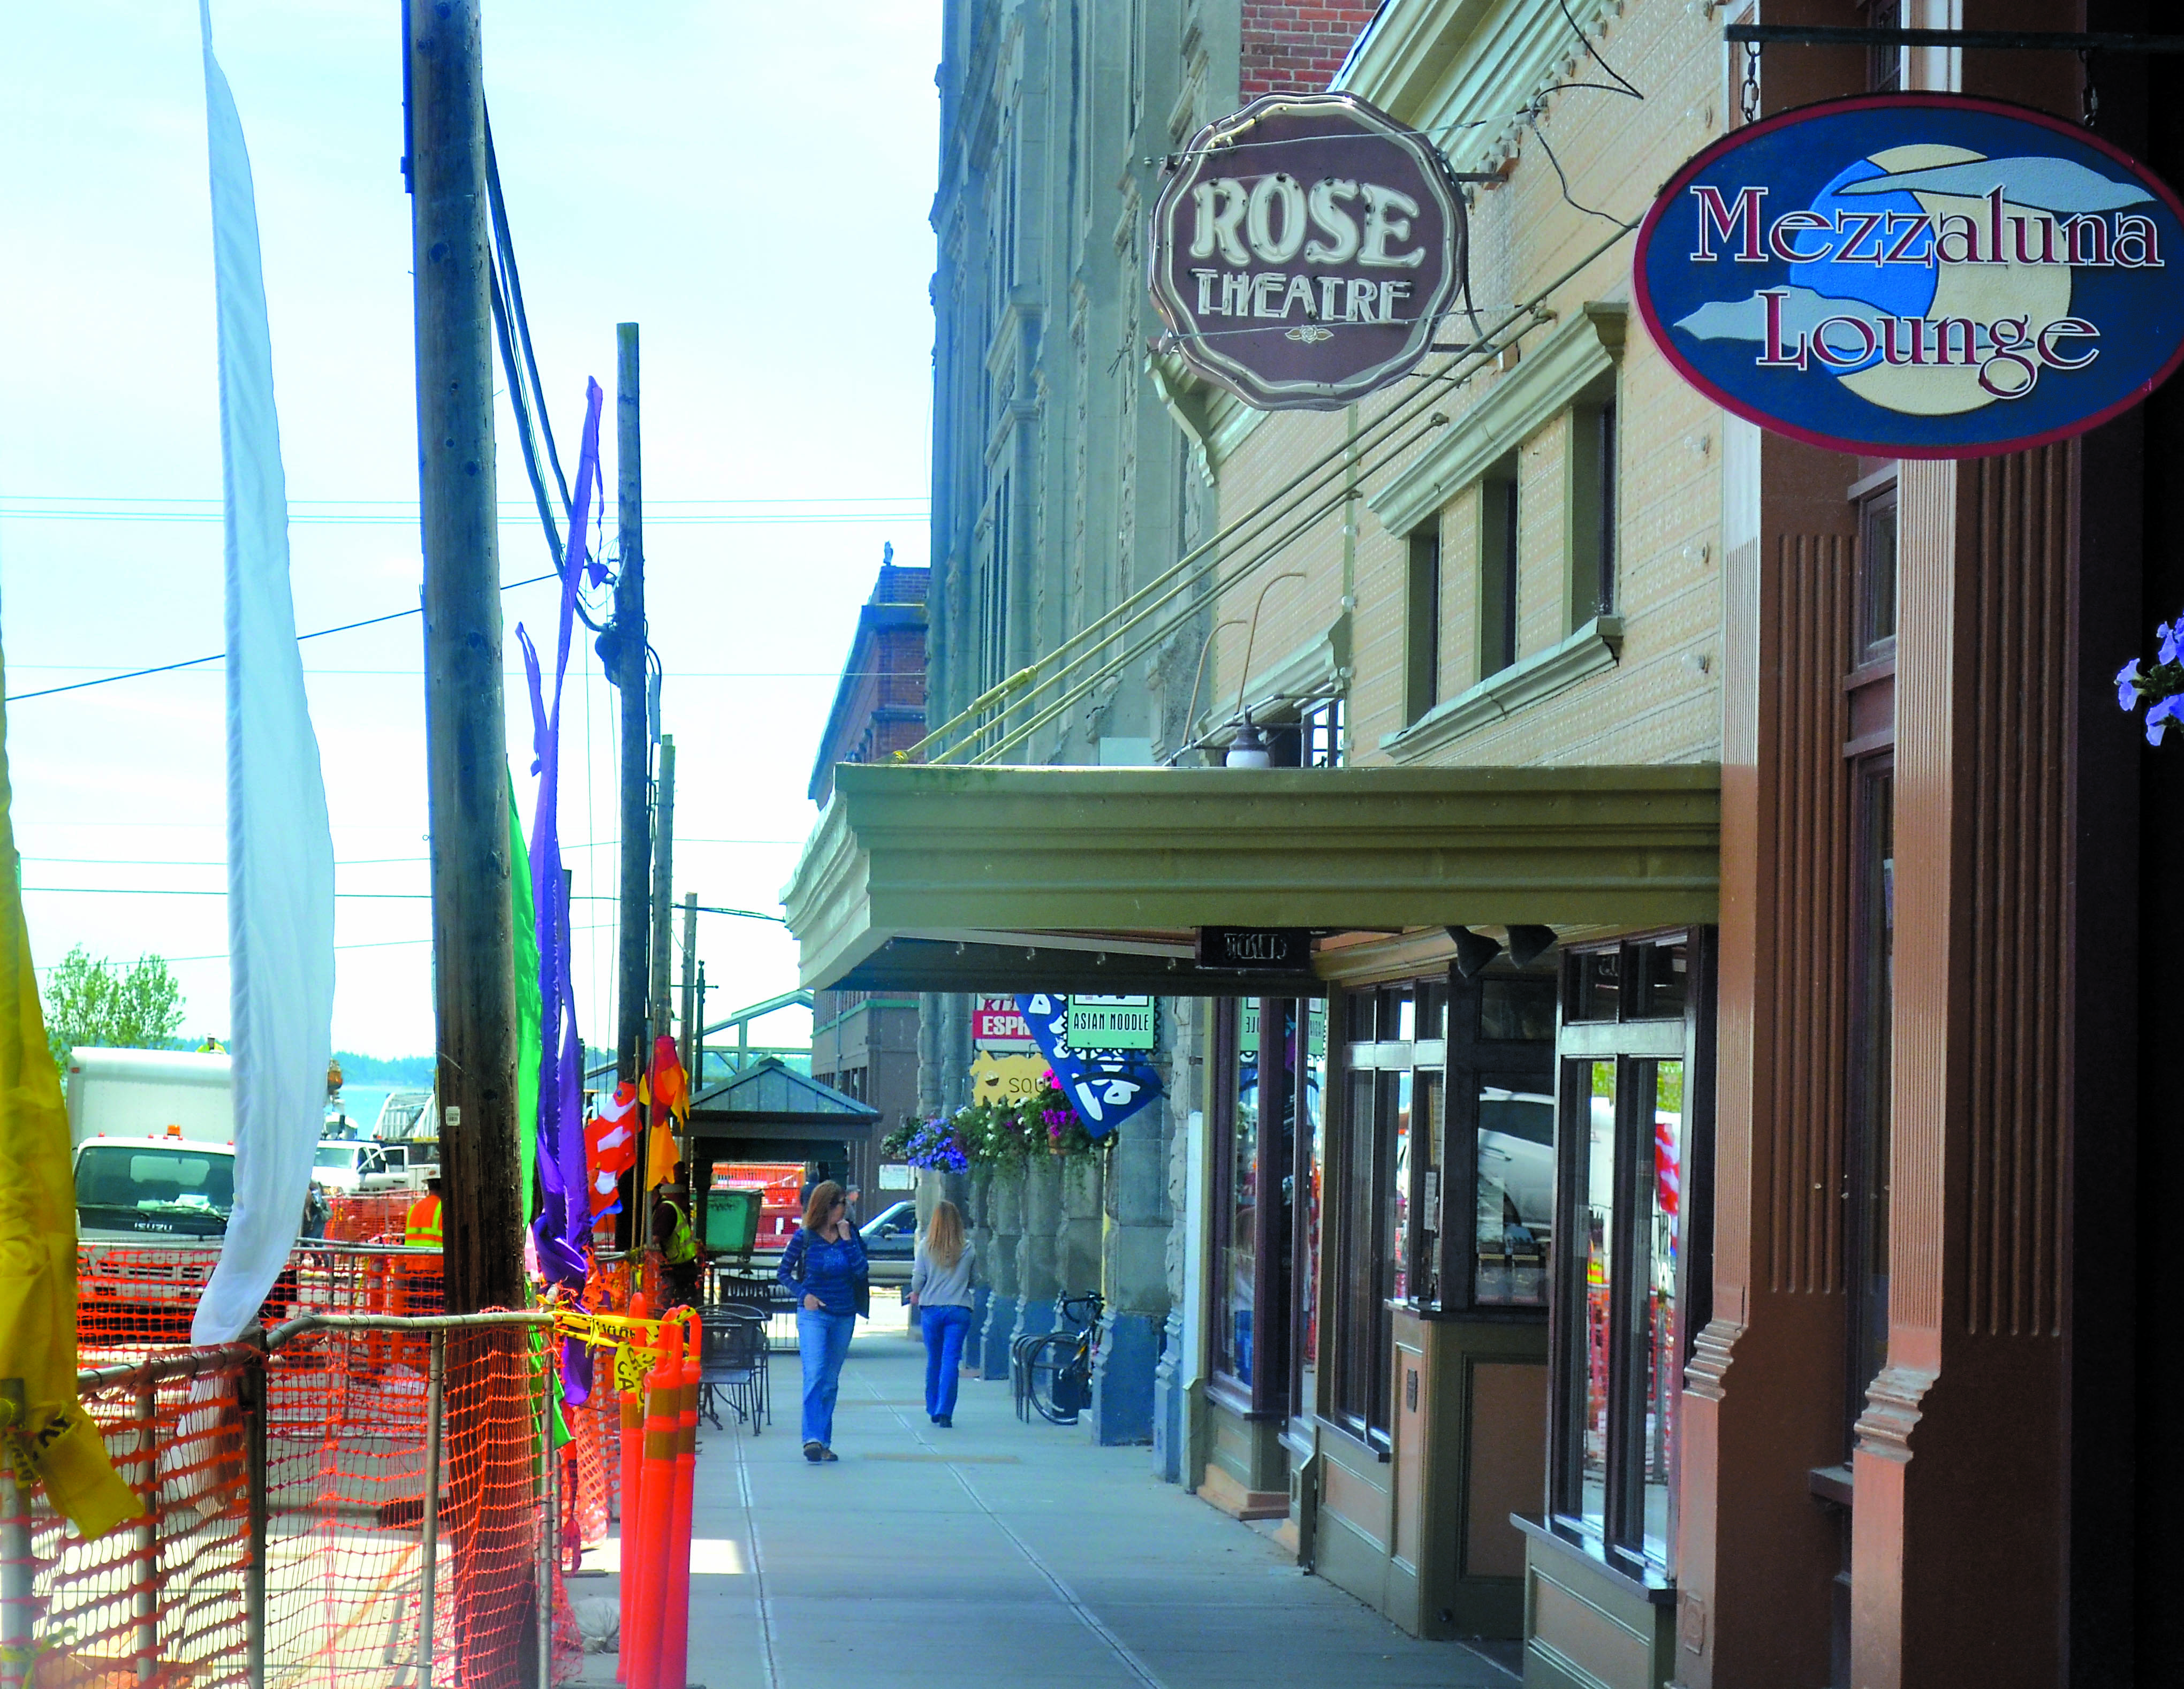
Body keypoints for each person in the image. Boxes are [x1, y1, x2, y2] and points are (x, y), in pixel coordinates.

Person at [776, 1179, 866, 1463]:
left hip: (843, 1314)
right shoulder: (805, 1237)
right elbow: (784, 1273)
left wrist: (849, 1241)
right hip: (814, 1314)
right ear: (828, 1206)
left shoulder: (849, 1234)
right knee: (814, 1373)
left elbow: (862, 1272)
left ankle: (824, 1442)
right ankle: (811, 1438)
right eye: (842, 1203)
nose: (846, 1208)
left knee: (830, 1381)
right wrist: (804, 1295)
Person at [908, 1199, 975, 1427]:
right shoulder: (968, 1248)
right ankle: (946, 1411)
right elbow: (974, 1280)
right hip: (959, 1308)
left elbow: (918, 1279)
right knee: (951, 1361)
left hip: (932, 1309)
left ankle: (933, 1406)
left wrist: (916, 1292)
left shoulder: (926, 1247)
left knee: (934, 1360)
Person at [652, 1166, 701, 1310]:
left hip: (680, 1271)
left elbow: (655, 1240)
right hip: (683, 1268)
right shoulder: (664, 1207)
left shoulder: (665, 1210)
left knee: (676, 1309)